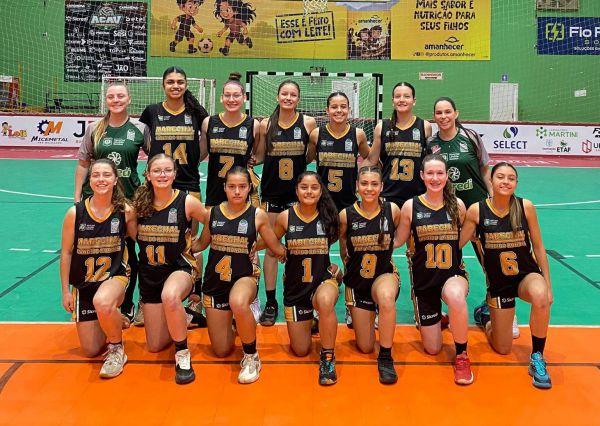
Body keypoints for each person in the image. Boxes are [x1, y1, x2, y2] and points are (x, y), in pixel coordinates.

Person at [427, 97, 520, 337]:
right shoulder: (431, 143)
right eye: (439, 112)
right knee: (447, 260)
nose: (443, 116)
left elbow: (485, 170)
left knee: (490, 261)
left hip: (478, 211)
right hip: (447, 214)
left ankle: (506, 312)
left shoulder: (470, 137)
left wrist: (495, 202)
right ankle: (445, 309)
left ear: (456, 113)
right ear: (434, 116)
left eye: (448, 111)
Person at [460, 162, 553, 388]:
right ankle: (486, 318)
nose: (505, 181)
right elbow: (458, 244)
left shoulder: (525, 207)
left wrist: (548, 285)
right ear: (491, 181)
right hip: (499, 285)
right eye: (500, 177)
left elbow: (538, 247)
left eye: (511, 178)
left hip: (525, 276)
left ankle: (537, 357)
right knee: (503, 348)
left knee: (541, 296)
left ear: (516, 183)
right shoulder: (477, 210)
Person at [196, 166, 286, 384]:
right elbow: (201, 244)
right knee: (221, 350)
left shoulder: (257, 215)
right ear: (224, 188)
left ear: (249, 188)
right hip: (215, 282)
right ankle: (239, 320)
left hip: (245, 277)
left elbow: (275, 246)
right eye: (232, 186)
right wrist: (179, 245)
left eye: (242, 187)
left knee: (238, 301)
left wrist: (293, 252)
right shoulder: (212, 213)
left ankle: (251, 356)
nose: (237, 191)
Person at [74, 81, 150, 328]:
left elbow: (154, 160)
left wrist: (148, 192)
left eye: (120, 96)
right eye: (111, 96)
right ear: (105, 100)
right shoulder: (95, 128)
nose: (116, 100)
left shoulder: (140, 128)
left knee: (129, 254)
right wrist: (77, 197)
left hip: (128, 201)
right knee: (95, 251)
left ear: (129, 99)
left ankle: (127, 305)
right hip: (96, 200)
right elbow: (83, 163)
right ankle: (94, 302)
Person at [394, 154, 473, 385]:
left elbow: (464, 239)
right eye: (430, 173)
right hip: (424, 282)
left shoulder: (457, 206)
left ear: (447, 176)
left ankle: (462, 355)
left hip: (452, 275)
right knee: (433, 349)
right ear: (422, 175)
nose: (435, 178)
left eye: (440, 173)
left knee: (456, 297)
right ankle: (441, 318)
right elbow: (398, 240)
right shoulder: (411, 206)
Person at [140, 67, 209, 327]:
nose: (175, 86)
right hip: (158, 186)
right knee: (152, 240)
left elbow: (204, 146)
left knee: (190, 243)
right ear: (163, 85)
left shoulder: (196, 113)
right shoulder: (151, 112)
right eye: (170, 81)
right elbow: (147, 144)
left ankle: (194, 296)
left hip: (188, 183)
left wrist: (192, 161)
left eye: (180, 81)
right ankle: (146, 300)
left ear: (186, 84)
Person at [257, 171, 342, 385]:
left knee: (325, 301)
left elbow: (340, 241)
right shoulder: (286, 217)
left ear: (320, 191)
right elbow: (270, 240)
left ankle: (328, 358)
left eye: (314, 187)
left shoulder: (329, 216)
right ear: (296, 190)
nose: (309, 192)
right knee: (300, 350)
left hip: (321, 282)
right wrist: (247, 245)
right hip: (295, 289)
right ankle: (314, 320)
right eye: (304, 187)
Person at [132, 154, 207, 384]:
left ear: (175, 174)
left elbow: (214, 221)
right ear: (148, 175)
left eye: (167, 170)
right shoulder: (138, 204)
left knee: (170, 295)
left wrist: (200, 245)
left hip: (179, 269)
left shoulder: (186, 202)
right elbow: (131, 234)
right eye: (157, 170)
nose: (162, 175)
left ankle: (182, 354)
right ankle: (186, 316)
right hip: (150, 275)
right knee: (155, 345)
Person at [61, 159, 137, 378]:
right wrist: (66, 291)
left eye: (106, 175)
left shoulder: (125, 211)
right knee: (91, 350)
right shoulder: (75, 213)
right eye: (96, 175)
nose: (101, 179)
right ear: (89, 180)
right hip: (84, 284)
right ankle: (115, 318)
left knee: (103, 302)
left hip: (114, 278)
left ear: (115, 180)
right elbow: (66, 253)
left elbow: (140, 239)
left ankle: (116, 349)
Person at [253, 80, 317, 326]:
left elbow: (309, 155)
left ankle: (303, 298)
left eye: (293, 94)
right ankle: (271, 301)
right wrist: (248, 160)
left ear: (298, 99)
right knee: (271, 248)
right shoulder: (266, 124)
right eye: (284, 94)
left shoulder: (308, 123)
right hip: (272, 194)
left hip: (298, 197)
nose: (288, 98)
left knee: (300, 249)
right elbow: (261, 155)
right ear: (277, 96)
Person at [339, 166, 401, 384]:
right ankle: (364, 312)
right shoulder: (346, 215)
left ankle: (385, 356)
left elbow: (403, 236)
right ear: (357, 186)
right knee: (365, 346)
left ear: (381, 186)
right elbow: (341, 244)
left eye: (374, 184)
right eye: (364, 183)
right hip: (357, 282)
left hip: (383, 275)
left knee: (385, 297)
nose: (369, 188)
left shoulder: (392, 210)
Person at [364, 82, 431, 208]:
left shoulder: (424, 126)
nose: (402, 100)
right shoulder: (381, 127)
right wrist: (357, 181)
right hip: (388, 196)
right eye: (397, 96)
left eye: (407, 96)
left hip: (418, 197)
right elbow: (371, 160)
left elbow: (429, 163)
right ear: (392, 101)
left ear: (414, 101)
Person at [200, 72, 259, 207]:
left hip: (241, 192)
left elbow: (257, 155)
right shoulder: (209, 122)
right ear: (221, 98)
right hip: (214, 191)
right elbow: (200, 154)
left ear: (244, 97)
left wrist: (254, 160)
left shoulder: (253, 125)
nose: (231, 99)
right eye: (227, 95)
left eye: (236, 95)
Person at [306, 91, 370, 213]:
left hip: (349, 203)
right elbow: (307, 159)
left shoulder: (358, 134)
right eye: (334, 107)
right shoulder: (316, 134)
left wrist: (362, 178)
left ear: (349, 110)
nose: (339, 110)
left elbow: (370, 159)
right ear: (327, 110)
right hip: (323, 203)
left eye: (343, 107)